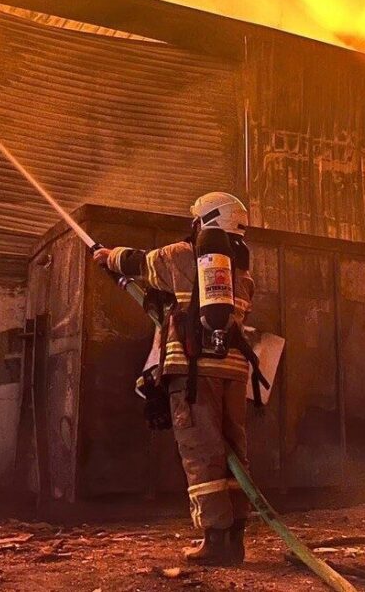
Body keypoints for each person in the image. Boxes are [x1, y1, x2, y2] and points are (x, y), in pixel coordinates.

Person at [93, 192, 255, 565]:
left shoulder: (183, 256)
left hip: (194, 372)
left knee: (202, 453)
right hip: (233, 372)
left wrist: (108, 256)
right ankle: (234, 539)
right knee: (233, 453)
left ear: (203, 221)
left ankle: (215, 542)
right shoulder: (243, 274)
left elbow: (140, 263)